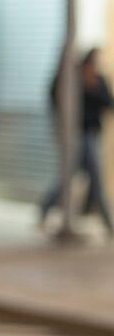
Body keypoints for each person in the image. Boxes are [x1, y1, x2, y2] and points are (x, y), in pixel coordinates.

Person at [40, 48, 114, 237]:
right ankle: (108, 222)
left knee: (76, 176)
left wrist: (94, 87)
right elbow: (55, 101)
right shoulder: (72, 80)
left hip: (91, 135)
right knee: (89, 177)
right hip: (76, 137)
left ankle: (47, 206)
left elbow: (108, 103)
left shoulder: (98, 80)